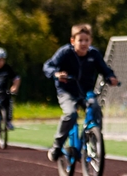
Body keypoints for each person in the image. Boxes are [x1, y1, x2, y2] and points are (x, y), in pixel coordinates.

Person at [43, 24, 119, 162]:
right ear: (73, 41)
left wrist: (111, 77)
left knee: (95, 109)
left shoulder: (94, 54)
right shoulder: (65, 52)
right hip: (66, 91)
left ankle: (94, 140)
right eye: (80, 40)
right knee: (71, 114)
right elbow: (48, 66)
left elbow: (104, 69)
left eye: (87, 40)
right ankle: (57, 146)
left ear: (90, 41)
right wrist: (56, 74)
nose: (84, 43)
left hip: (86, 92)